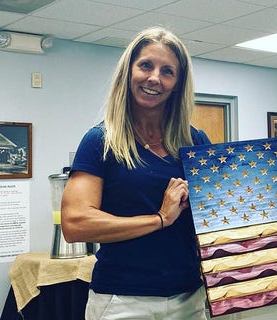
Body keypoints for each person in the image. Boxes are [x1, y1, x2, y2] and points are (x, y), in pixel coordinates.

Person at [61, 26, 211, 320]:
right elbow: (75, 224)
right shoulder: (100, 141)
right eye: (146, 65)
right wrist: (159, 219)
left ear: (177, 84)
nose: (155, 77)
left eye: (167, 71)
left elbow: (218, 220)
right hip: (122, 301)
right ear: (128, 72)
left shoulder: (196, 143)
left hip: (189, 298)